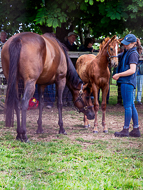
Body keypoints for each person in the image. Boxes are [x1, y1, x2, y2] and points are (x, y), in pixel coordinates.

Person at [113, 33, 141, 137]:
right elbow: (116, 56)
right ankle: (136, 129)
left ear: (134, 43)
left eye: (127, 44)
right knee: (131, 105)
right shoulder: (127, 52)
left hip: (127, 82)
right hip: (127, 82)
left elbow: (132, 70)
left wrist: (119, 74)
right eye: (124, 44)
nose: (125, 45)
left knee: (127, 106)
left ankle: (125, 130)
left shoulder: (133, 54)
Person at [133, 39, 143, 105]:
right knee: (134, 87)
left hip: (141, 73)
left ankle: (139, 100)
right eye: (138, 49)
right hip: (134, 73)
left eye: (140, 49)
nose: (139, 50)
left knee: (140, 87)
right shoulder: (135, 54)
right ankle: (133, 100)